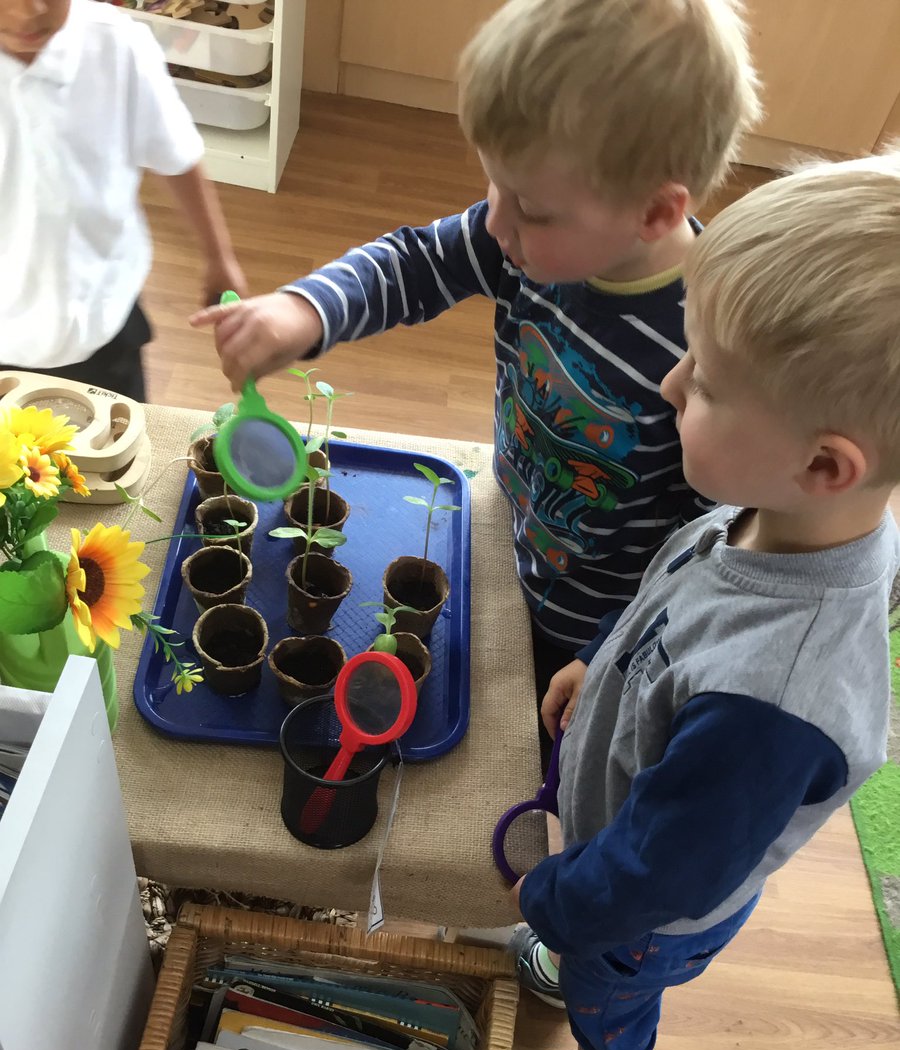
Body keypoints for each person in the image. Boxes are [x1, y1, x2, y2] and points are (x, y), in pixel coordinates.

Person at [190, 0, 760, 765]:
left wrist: (609, 649)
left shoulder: (711, 350)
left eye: (527, 207)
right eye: (493, 185)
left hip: (594, 616)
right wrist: (305, 312)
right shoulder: (529, 241)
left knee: (544, 751)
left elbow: (711, 544)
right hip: (502, 527)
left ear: (656, 211)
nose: (494, 224)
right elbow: (416, 260)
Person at [504, 151, 900, 1050]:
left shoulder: (776, 703)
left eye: (709, 382)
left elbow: (659, 875)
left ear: (824, 462)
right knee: (591, 930)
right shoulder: (780, 513)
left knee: (611, 1000)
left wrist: (558, 899)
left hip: (643, 918)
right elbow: (680, 591)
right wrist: (603, 662)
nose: (672, 383)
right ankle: (574, 952)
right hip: (632, 834)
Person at [0, 0, 245, 402]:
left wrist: (219, 258)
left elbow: (176, 156)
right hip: (5, 338)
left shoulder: (116, 45)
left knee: (123, 454)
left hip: (102, 321)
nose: (31, 10)